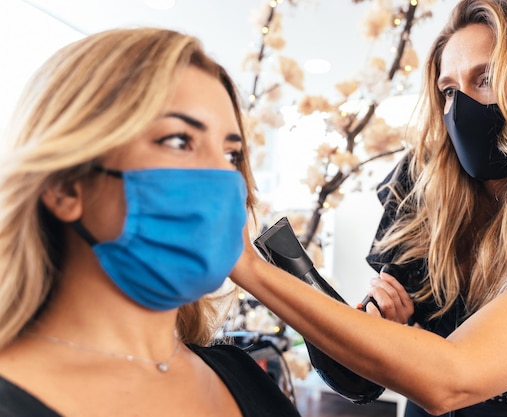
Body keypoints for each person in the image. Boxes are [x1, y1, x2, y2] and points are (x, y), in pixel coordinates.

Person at [229, 0, 507, 416]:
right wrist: (381, 327)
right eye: (450, 90)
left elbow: (452, 379)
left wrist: (250, 269)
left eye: (485, 79)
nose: (460, 108)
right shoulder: (423, 191)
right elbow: (355, 378)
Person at [0, 28, 300, 417]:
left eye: (231, 155)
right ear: (65, 187)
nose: (224, 178)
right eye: (179, 140)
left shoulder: (243, 374)